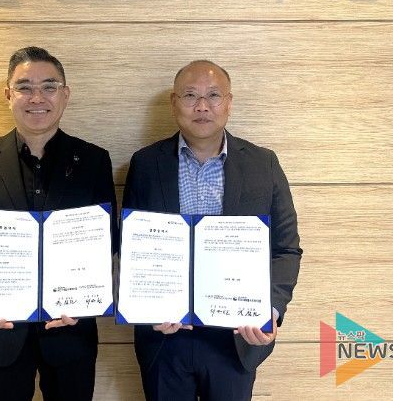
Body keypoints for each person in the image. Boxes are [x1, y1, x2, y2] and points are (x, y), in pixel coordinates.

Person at [122, 60, 302, 401]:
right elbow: (131, 246)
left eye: (214, 96)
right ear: (174, 103)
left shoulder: (263, 163)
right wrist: (146, 308)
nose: (202, 106)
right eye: (190, 95)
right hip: (165, 338)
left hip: (234, 339)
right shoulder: (145, 163)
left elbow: (285, 249)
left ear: (229, 103)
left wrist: (271, 309)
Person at [0, 46, 117, 401]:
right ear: (8, 95)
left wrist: (86, 299)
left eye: (49, 87)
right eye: (24, 87)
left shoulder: (93, 160)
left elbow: (107, 240)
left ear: (65, 94)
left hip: (70, 328)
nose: (37, 98)